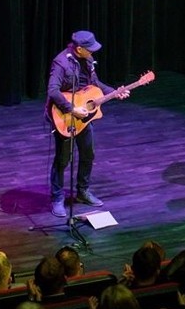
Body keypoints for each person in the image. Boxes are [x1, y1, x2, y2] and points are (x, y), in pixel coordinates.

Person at [46, 30, 130, 217]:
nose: (93, 53)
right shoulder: (61, 62)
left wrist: (115, 92)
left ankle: (82, 191)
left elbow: (95, 84)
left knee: (88, 153)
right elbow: (53, 91)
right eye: (89, 49)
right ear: (79, 49)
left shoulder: (89, 61)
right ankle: (57, 197)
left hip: (83, 117)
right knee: (63, 159)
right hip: (64, 115)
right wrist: (71, 108)